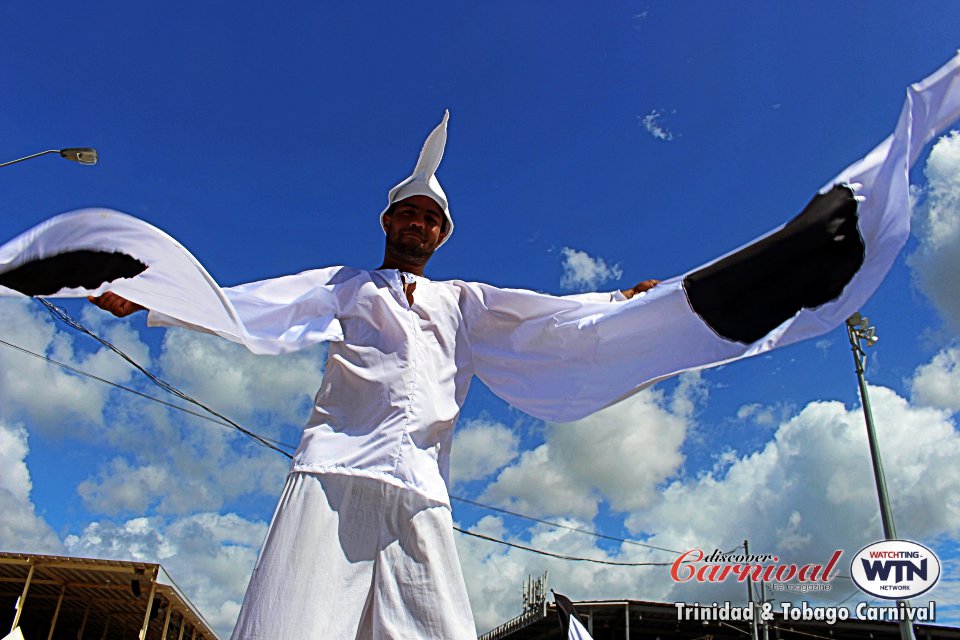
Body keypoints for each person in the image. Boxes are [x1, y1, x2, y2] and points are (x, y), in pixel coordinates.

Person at [88, 112, 658, 639]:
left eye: (431, 218)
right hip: (334, 472)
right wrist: (149, 300)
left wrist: (618, 303)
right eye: (410, 212)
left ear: (442, 236)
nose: (419, 222)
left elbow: (543, 315)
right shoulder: (346, 284)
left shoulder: (464, 302)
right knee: (290, 625)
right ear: (387, 221)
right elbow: (256, 306)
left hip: (420, 488)